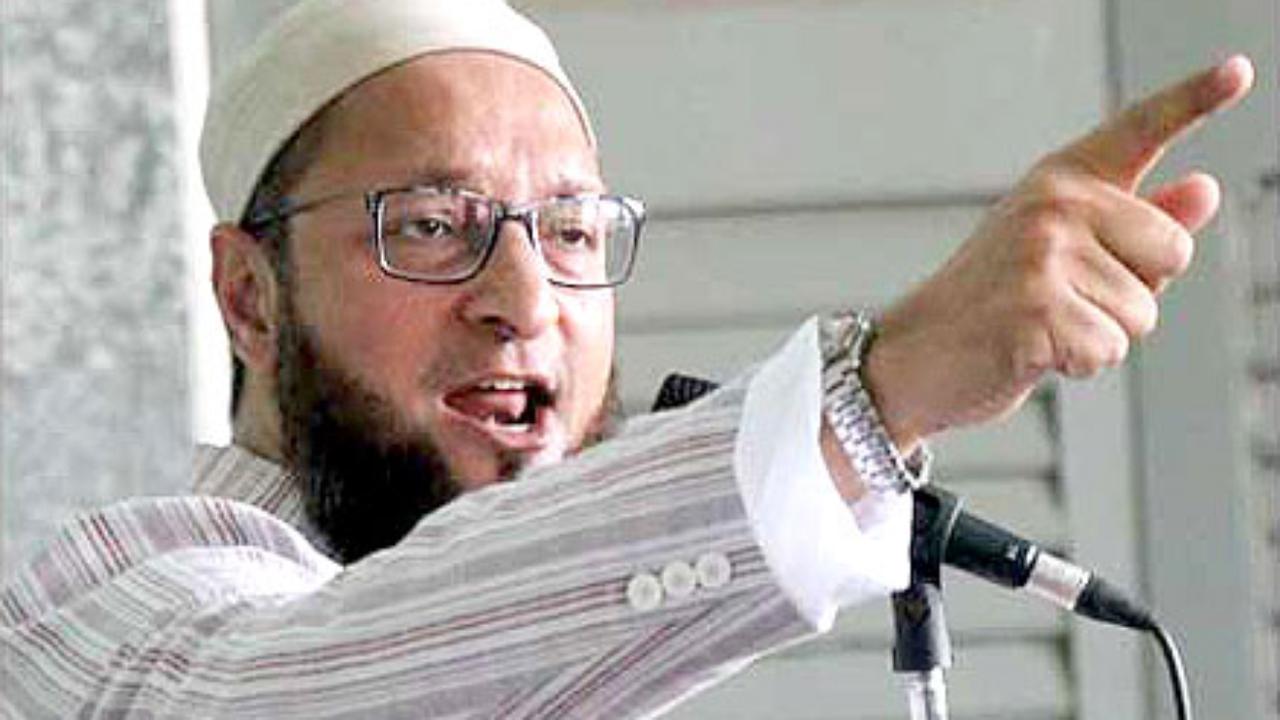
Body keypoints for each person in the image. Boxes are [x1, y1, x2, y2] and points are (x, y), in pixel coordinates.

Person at [0, 0, 1254, 717]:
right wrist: (879, 395)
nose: (523, 300)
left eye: (569, 231)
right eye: (429, 226)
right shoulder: (96, 616)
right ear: (249, 297)